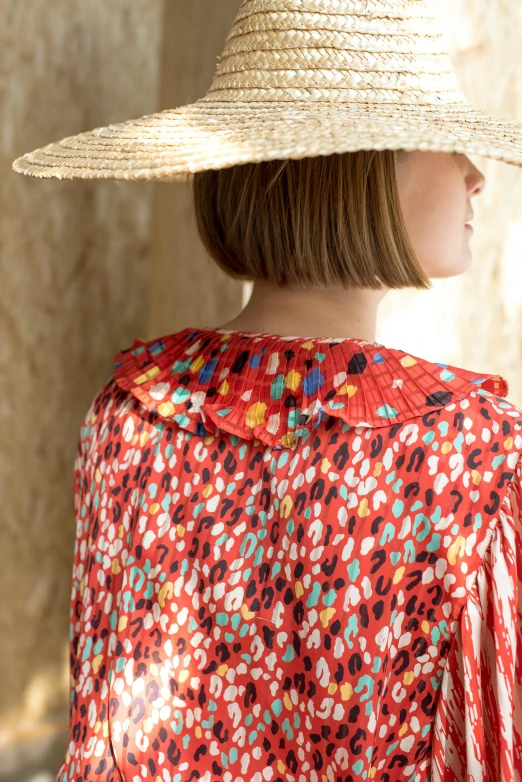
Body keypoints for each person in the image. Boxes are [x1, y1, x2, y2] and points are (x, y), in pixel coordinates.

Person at [12, 1, 522, 780]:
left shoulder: (126, 415)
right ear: (359, 165)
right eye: (446, 138)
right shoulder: (478, 457)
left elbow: (106, 736)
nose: (476, 173)